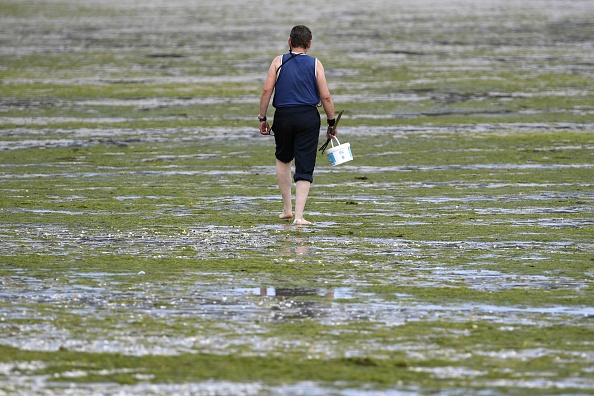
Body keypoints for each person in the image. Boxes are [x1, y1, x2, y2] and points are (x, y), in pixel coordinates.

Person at [258, 25, 337, 225]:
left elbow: (267, 90)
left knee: (283, 158)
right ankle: (299, 216)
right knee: (305, 164)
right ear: (309, 44)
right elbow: (325, 96)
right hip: (308, 117)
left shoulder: (278, 61)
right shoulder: (315, 64)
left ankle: (287, 209)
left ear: (289, 42)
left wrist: (262, 118)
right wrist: (331, 122)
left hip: (283, 116)